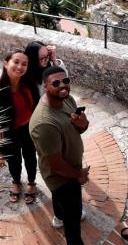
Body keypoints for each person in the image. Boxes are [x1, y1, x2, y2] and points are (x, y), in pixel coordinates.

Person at [29, 66, 89, 245]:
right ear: (45, 87)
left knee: (61, 203)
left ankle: (59, 216)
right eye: (56, 83)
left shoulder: (67, 99)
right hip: (61, 177)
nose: (63, 85)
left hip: (69, 167)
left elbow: (80, 128)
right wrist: (79, 175)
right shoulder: (44, 123)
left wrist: (83, 124)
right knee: (73, 217)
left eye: (66, 81)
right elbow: (57, 166)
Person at [0, 49, 37, 204]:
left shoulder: (29, 85)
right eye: (16, 62)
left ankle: (31, 182)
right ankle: (16, 181)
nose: (20, 67)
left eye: (24, 64)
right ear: (6, 63)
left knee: (30, 157)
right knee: (14, 159)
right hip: (9, 132)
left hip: (28, 128)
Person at [25, 41, 66, 105]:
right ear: (33, 59)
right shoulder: (27, 77)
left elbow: (64, 79)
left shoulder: (48, 68)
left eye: (47, 56)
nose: (46, 60)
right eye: (42, 58)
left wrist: (54, 59)